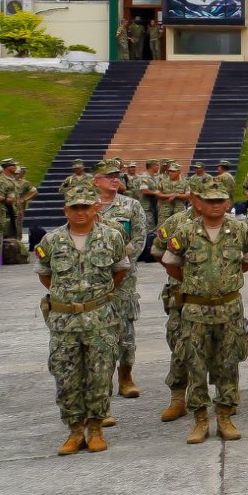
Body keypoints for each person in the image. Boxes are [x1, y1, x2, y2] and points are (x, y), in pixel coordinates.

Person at [36, 185, 131, 455]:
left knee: (100, 375)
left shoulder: (112, 237)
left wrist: (95, 298)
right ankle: (75, 430)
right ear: (65, 210)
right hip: (64, 323)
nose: (80, 212)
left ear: (95, 209)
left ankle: (96, 428)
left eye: (85, 207)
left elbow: (120, 270)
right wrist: (68, 298)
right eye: (74, 207)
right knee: (66, 377)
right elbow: (45, 274)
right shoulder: (51, 241)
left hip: (100, 320)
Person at [161, 179, 248, 443]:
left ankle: (225, 417)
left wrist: (224, 283)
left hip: (229, 309)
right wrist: (196, 285)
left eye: (220, 201)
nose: (215, 205)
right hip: (195, 310)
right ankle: (200, 420)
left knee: (228, 364)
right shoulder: (185, 232)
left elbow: (246, 262)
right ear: (199, 203)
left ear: (227, 203)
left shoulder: (240, 230)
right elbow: (172, 264)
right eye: (209, 201)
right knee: (196, 365)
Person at [91, 160, 149, 400]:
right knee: (95, 330)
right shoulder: (86, 205)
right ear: (97, 180)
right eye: (110, 176)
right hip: (93, 279)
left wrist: (118, 263)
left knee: (125, 330)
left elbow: (139, 240)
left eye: (118, 176)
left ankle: (126, 377)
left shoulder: (131, 205)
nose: (116, 179)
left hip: (123, 278)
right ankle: (100, 380)